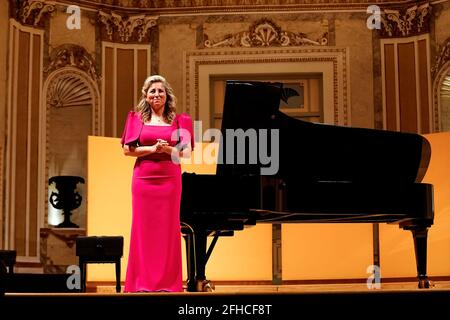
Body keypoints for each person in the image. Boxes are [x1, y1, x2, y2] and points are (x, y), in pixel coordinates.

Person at [120, 75, 194, 292]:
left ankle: (168, 283)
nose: (156, 95)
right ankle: (141, 283)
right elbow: (127, 150)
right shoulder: (135, 119)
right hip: (143, 180)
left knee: (169, 229)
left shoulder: (181, 120)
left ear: (167, 95)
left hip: (170, 181)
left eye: (160, 91)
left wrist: (168, 150)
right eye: (152, 91)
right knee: (143, 229)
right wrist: (153, 149)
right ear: (146, 95)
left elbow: (187, 153)